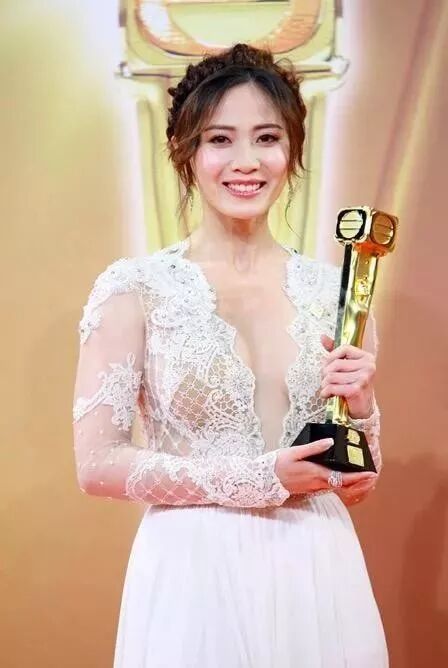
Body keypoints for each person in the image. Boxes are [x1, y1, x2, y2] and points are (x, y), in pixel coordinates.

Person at [72, 43, 388, 667]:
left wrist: (362, 407)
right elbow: (97, 463)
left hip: (316, 568)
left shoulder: (338, 293)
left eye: (267, 138)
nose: (246, 161)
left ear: (292, 151)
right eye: (220, 139)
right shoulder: (136, 289)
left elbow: (357, 484)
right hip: (195, 571)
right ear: (185, 152)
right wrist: (257, 480)